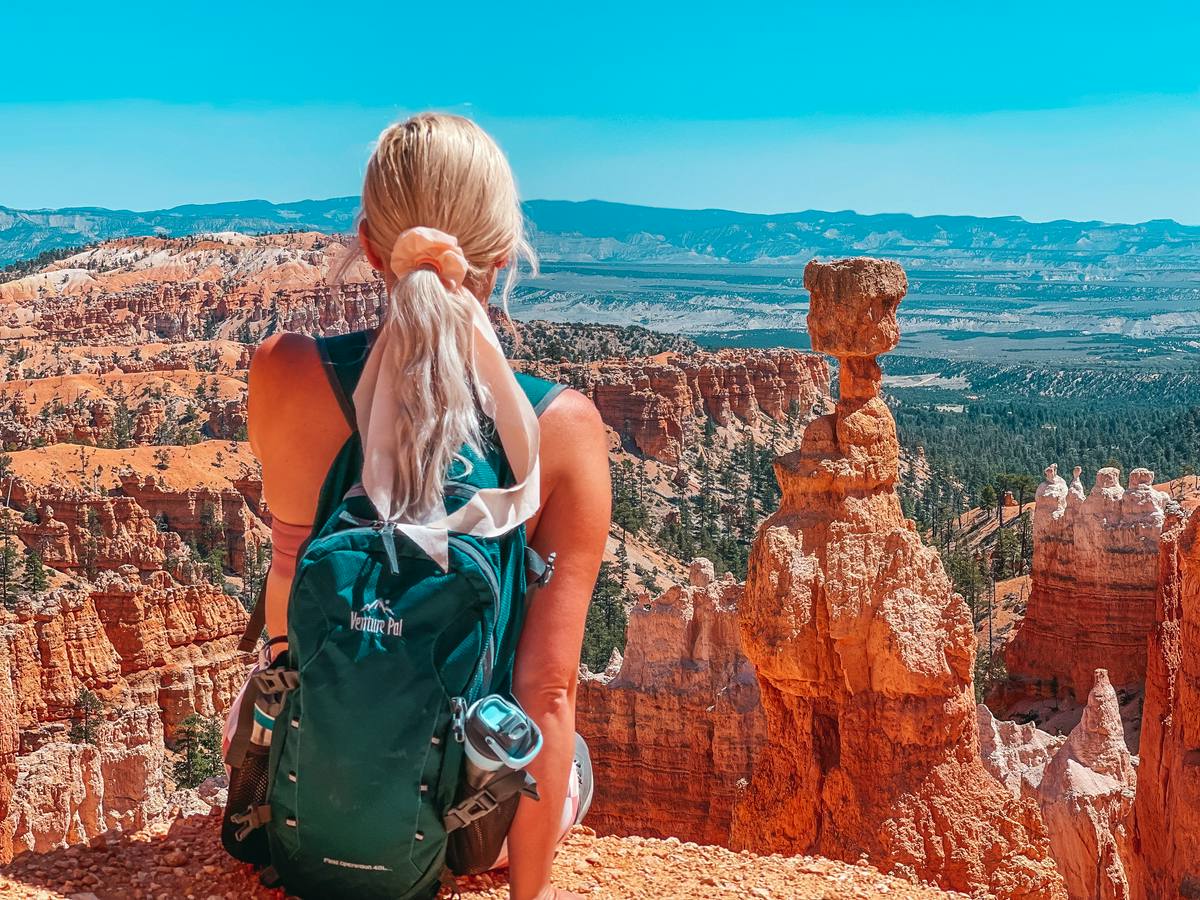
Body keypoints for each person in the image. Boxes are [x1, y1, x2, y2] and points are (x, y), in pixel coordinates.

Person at [247, 112, 610, 900]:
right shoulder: (563, 428)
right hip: (460, 830)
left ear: (369, 246)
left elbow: (286, 598)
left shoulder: (283, 371)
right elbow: (547, 690)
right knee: (570, 752)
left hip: (311, 795)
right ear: (504, 254)